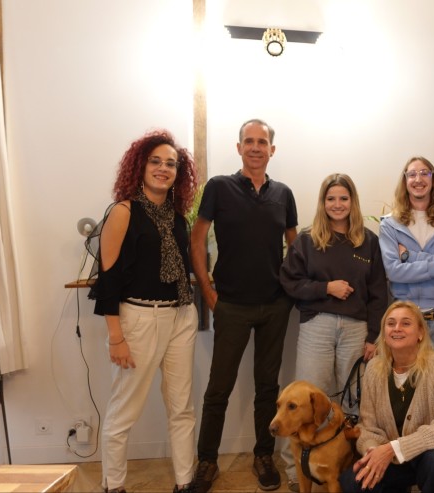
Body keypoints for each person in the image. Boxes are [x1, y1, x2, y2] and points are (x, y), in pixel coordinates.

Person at [89, 130, 199, 493]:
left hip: (181, 316)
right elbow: (108, 279)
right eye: (155, 161)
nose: (163, 169)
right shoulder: (123, 212)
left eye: (171, 164)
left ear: (178, 173)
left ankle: (185, 482)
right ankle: (114, 486)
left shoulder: (177, 217)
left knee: (181, 407)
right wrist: (116, 337)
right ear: (140, 166)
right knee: (124, 410)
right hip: (139, 318)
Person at [190, 119, 298, 493]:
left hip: (274, 306)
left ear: (272, 150)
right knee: (218, 388)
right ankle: (207, 461)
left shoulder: (283, 194)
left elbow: (295, 246)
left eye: (262, 142)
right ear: (239, 148)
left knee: (268, 387)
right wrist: (208, 291)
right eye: (248, 141)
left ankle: (263, 455)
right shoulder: (219, 187)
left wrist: (291, 290)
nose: (255, 147)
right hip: (231, 305)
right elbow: (197, 239)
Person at [279, 173, 388, 491]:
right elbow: (289, 281)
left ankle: (353, 467)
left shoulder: (368, 241)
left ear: (352, 202)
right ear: (323, 202)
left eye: (343, 198)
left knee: (355, 402)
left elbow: (378, 292)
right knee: (305, 402)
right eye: (331, 199)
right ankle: (296, 469)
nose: (337, 204)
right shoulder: (307, 240)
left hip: (356, 329)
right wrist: (326, 288)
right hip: (318, 326)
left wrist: (373, 336)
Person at [339, 301, 434, 493]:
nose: (397, 328)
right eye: (391, 323)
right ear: (384, 333)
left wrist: (394, 448)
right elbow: (368, 427)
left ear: (420, 333)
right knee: (352, 482)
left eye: (406, 323)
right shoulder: (373, 369)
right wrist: (374, 452)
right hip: (394, 460)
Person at [379, 157, 434, 371]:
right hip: (404, 322)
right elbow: (394, 272)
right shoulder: (390, 224)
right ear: (405, 180)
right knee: (407, 386)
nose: (418, 179)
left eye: (425, 173)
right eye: (412, 174)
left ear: (433, 179)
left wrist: (409, 257)